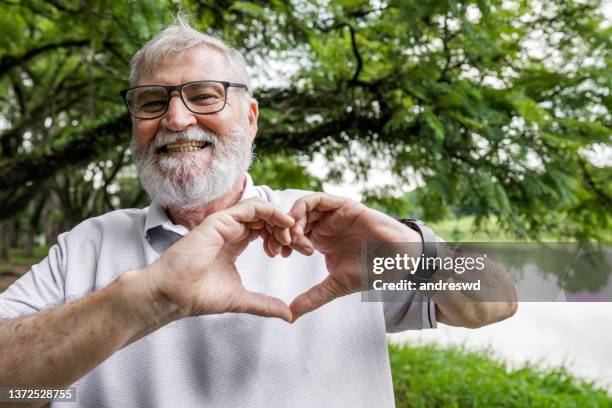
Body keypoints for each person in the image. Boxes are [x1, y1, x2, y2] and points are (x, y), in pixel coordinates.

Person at [0, 15, 517, 408]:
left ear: (250, 118)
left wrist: (412, 253)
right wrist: (144, 299)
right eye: (152, 102)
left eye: (204, 96)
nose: (176, 118)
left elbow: (498, 301)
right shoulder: (85, 246)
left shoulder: (332, 231)